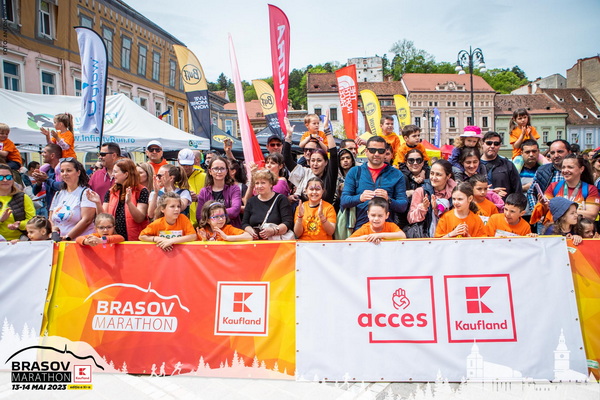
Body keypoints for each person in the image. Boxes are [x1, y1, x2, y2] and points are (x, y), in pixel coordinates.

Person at [341, 135, 407, 230]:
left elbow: (403, 206)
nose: (376, 154)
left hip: (387, 230)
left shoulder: (396, 174)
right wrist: (360, 198)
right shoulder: (355, 172)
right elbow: (344, 201)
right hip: (360, 229)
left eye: (381, 151)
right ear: (366, 151)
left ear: (385, 152)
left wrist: (388, 199)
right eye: (372, 150)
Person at [87, 158, 149, 241]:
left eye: (115, 172)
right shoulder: (111, 191)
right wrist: (98, 203)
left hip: (134, 240)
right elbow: (103, 217)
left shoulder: (141, 191)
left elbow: (139, 218)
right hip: (113, 239)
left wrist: (129, 203)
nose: (112, 175)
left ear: (126, 174)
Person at [284, 117, 338, 206]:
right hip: (304, 213)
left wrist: (327, 130)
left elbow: (334, 155)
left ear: (326, 162)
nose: (315, 164)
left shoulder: (330, 176)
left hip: (325, 213)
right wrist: (289, 135)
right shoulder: (305, 172)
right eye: (313, 160)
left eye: (319, 160)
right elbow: (287, 159)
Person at [536, 154, 599, 221]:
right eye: (563, 167)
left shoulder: (590, 189)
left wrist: (561, 210)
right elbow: (545, 212)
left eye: (570, 167)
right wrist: (544, 206)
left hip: (580, 227)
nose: (565, 170)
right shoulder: (553, 186)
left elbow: (591, 215)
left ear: (581, 169)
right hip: (557, 227)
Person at [406, 159, 456, 237]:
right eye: (432, 173)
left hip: (450, 236)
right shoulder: (421, 191)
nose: (434, 177)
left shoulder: (456, 193)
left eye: (438, 175)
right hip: (425, 237)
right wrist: (423, 208)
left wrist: (438, 210)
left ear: (448, 176)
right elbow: (410, 218)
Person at [49, 158, 96, 240]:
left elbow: (87, 220)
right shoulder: (58, 194)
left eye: (69, 170)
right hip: (59, 242)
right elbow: (50, 217)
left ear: (78, 172)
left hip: (80, 242)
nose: (65, 174)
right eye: (62, 171)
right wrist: (54, 233)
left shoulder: (86, 193)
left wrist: (67, 237)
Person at [526, 139, 571, 221]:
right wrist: (537, 211)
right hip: (546, 219)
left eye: (560, 152)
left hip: (570, 217)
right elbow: (531, 192)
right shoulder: (542, 170)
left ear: (569, 152)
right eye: (552, 153)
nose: (556, 155)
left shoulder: (578, 171)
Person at [242, 169, 293, 240]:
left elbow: (288, 222)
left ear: (271, 184)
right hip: (256, 242)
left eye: (263, 183)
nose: (259, 186)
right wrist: (251, 231)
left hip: (276, 242)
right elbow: (244, 223)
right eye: (257, 183)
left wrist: (273, 231)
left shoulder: (281, 199)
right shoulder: (251, 201)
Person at [197, 156, 242, 228]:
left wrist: (213, 215)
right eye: (216, 169)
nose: (219, 172)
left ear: (226, 171)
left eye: (222, 168)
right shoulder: (204, 191)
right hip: (211, 230)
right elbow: (199, 216)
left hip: (232, 229)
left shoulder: (234, 188)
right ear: (210, 171)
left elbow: (235, 211)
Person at [480, 131, 522, 200]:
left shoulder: (508, 165)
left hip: (503, 205)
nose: (492, 146)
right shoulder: (474, 165)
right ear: (482, 144)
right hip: (479, 205)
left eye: (496, 144)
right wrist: (490, 193)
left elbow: (517, 190)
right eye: (489, 143)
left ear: (499, 146)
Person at [0, 164, 35, 241]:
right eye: (1, 177)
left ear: (13, 179)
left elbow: (33, 221)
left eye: (8, 177)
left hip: (20, 241)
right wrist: (1, 220)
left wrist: (19, 224)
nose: (5, 180)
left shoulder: (23, 197)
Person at [397, 149, 428, 228]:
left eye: (418, 160)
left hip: (426, 220)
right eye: (411, 160)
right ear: (406, 163)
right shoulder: (400, 177)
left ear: (423, 162)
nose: (415, 163)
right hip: (403, 220)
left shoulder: (430, 176)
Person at [178, 148, 206, 226]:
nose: (186, 167)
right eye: (183, 165)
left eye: (189, 164)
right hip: (179, 222)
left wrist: (198, 198)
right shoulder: (174, 178)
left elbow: (212, 196)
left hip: (200, 222)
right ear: (178, 161)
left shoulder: (204, 177)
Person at [32, 144, 62, 215]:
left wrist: (46, 179)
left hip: (61, 209)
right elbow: (35, 192)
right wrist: (39, 182)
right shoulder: (47, 170)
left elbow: (62, 186)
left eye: (45, 152)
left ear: (52, 155)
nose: (42, 154)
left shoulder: (62, 170)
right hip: (49, 209)